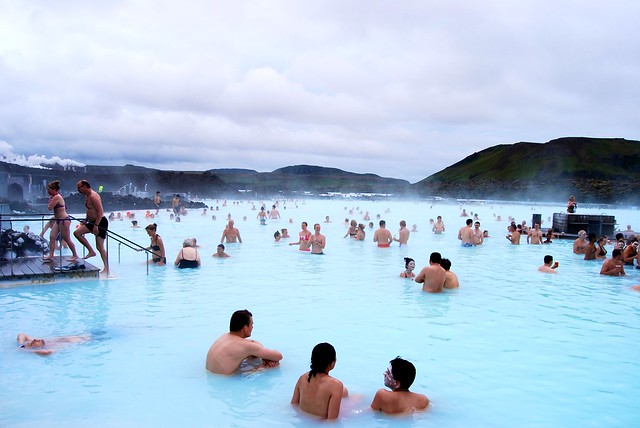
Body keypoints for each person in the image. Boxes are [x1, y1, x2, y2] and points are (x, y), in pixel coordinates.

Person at [205, 309, 282, 375]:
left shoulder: (223, 337)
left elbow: (253, 343)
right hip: (227, 381)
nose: (252, 327)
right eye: (251, 324)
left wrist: (263, 356)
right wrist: (266, 360)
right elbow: (278, 356)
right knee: (273, 365)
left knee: (251, 357)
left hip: (211, 374)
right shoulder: (245, 346)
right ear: (245, 328)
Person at [291, 342, 347, 420]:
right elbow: (332, 420)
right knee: (353, 396)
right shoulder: (336, 385)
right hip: (321, 424)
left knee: (344, 393)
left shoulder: (303, 378)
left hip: (302, 421)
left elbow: (293, 404)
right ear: (333, 362)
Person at [73, 180, 109, 273]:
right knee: (77, 233)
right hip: (92, 222)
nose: (78, 190)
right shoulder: (87, 196)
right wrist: (86, 220)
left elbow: (100, 211)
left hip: (100, 222)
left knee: (100, 246)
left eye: (79, 187)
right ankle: (91, 251)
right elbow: (89, 210)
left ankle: (107, 268)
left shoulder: (93, 196)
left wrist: (96, 225)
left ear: (85, 186)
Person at [44, 180, 79, 262]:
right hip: (58, 221)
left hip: (64, 220)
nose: (48, 191)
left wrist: (49, 202)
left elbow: (49, 208)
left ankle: (75, 255)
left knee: (67, 239)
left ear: (54, 189)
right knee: (52, 237)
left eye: (49, 189)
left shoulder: (57, 197)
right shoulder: (54, 197)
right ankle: (51, 255)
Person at [17, 332, 91, 356]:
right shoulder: (48, 348)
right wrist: (28, 351)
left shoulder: (43, 342)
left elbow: (22, 334)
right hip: (90, 340)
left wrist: (20, 345)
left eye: (32, 340)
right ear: (35, 347)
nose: (35, 339)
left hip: (86, 335)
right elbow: (48, 352)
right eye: (33, 342)